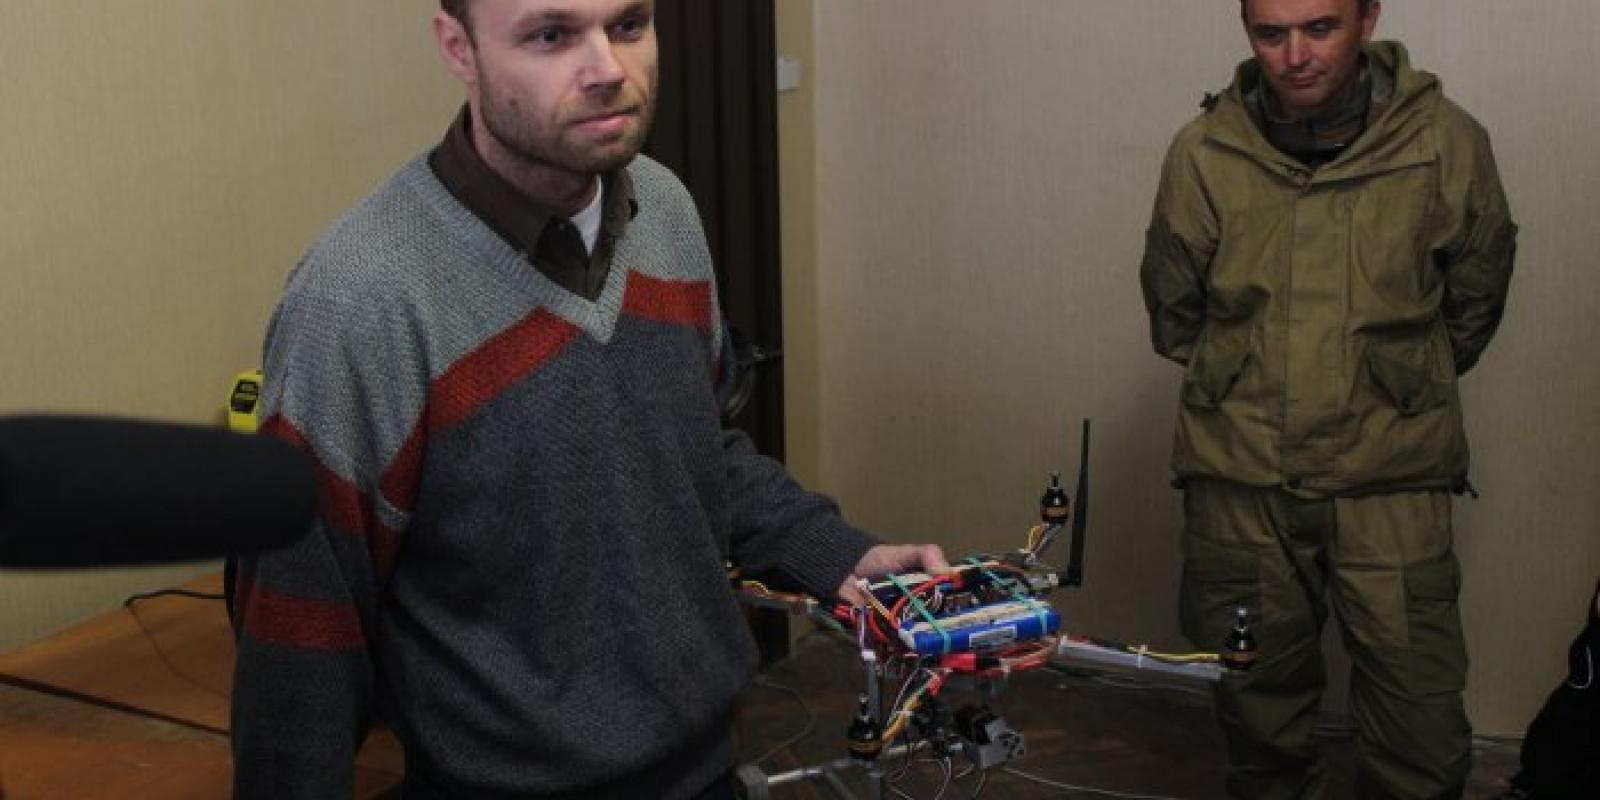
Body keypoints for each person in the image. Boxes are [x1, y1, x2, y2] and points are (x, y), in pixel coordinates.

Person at [228, 1, 948, 797]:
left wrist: (834, 553)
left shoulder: (665, 210)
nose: (608, 68)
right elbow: (299, 630)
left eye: (629, 24)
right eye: (551, 35)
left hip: (708, 770)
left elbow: (692, 451)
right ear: (458, 49)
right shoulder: (359, 302)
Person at [1138, 0, 1516, 798]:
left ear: (1368, 18)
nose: (1295, 55)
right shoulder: (1203, 151)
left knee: (1418, 724)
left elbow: (1475, 295)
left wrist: (1396, 383)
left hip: (1390, 477)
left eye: (1321, 28)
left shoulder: (1445, 143)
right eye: (1270, 34)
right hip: (1241, 477)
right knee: (1256, 710)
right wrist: (1254, 379)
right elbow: (1176, 311)